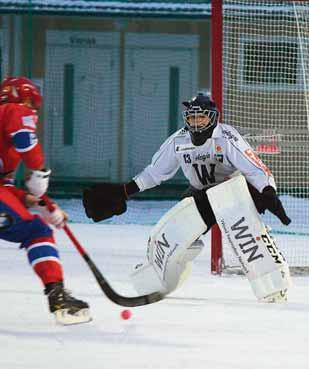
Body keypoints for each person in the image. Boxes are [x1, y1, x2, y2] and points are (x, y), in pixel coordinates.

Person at [83, 93, 292, 303]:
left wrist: (268, 191)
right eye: (191, 118)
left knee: (245, 236)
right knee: (174, 232)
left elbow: (254, 169)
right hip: (201, 194)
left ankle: (273, 284)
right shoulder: (179, 140)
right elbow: (155, 172)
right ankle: (156, 279)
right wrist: (125, 191)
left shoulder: (227, 137)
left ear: (212, 117)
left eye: (200, 117)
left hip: (233, 194)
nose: (196, 122)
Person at [0, 76, 91, 325]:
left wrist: (34, 202)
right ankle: (57, 295)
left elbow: (4, 190)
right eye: (32, 104)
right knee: (37, 232)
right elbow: (28, 147)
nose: (32, 111)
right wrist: (40, 171)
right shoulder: (13, 110)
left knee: (36, 226)